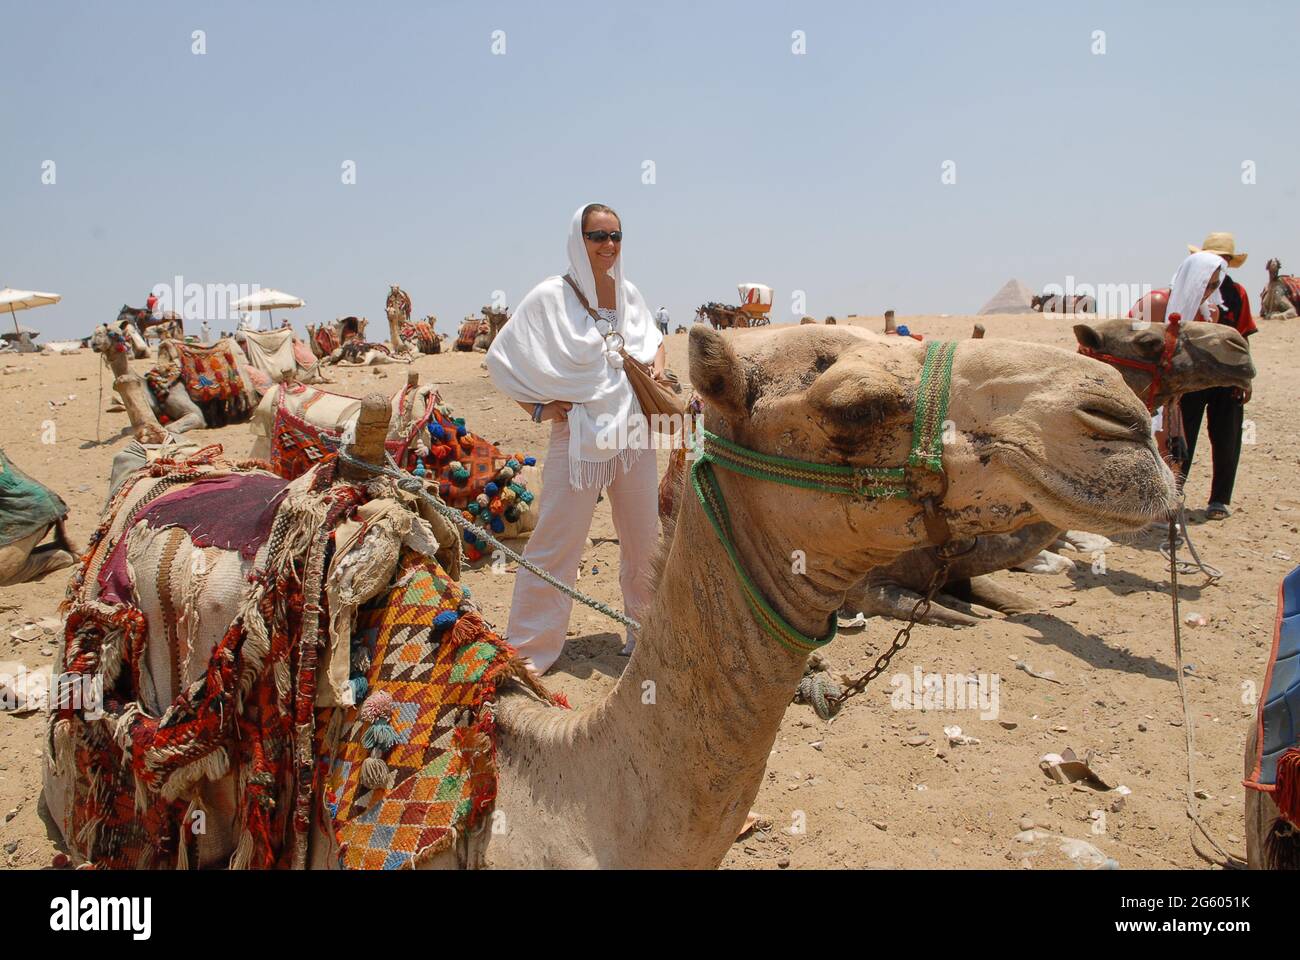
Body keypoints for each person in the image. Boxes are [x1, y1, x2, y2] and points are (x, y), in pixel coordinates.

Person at [485, 203, 665, 674]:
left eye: (615, 235)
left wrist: (658, 367)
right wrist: (540, 408)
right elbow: (503, 357)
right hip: (577, 437)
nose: (608, 245)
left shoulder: (629, 295)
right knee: (555, 545)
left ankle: (646, 641)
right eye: (597, 236)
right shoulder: (552, 296)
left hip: (633, 434)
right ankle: (528, 652)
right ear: (577, 239)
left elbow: (654, 341)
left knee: (645, 542)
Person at [1179, 234, 1256, 520]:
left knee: (1227, 436)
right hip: (1191, 377)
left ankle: (1220, 499)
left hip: (1226, 378)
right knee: (1182, 435)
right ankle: (1173, 494)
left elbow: (1243, 337)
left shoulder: (1239, 294)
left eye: (1223, 261)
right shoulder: (1188, 291)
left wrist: (1244, 377)